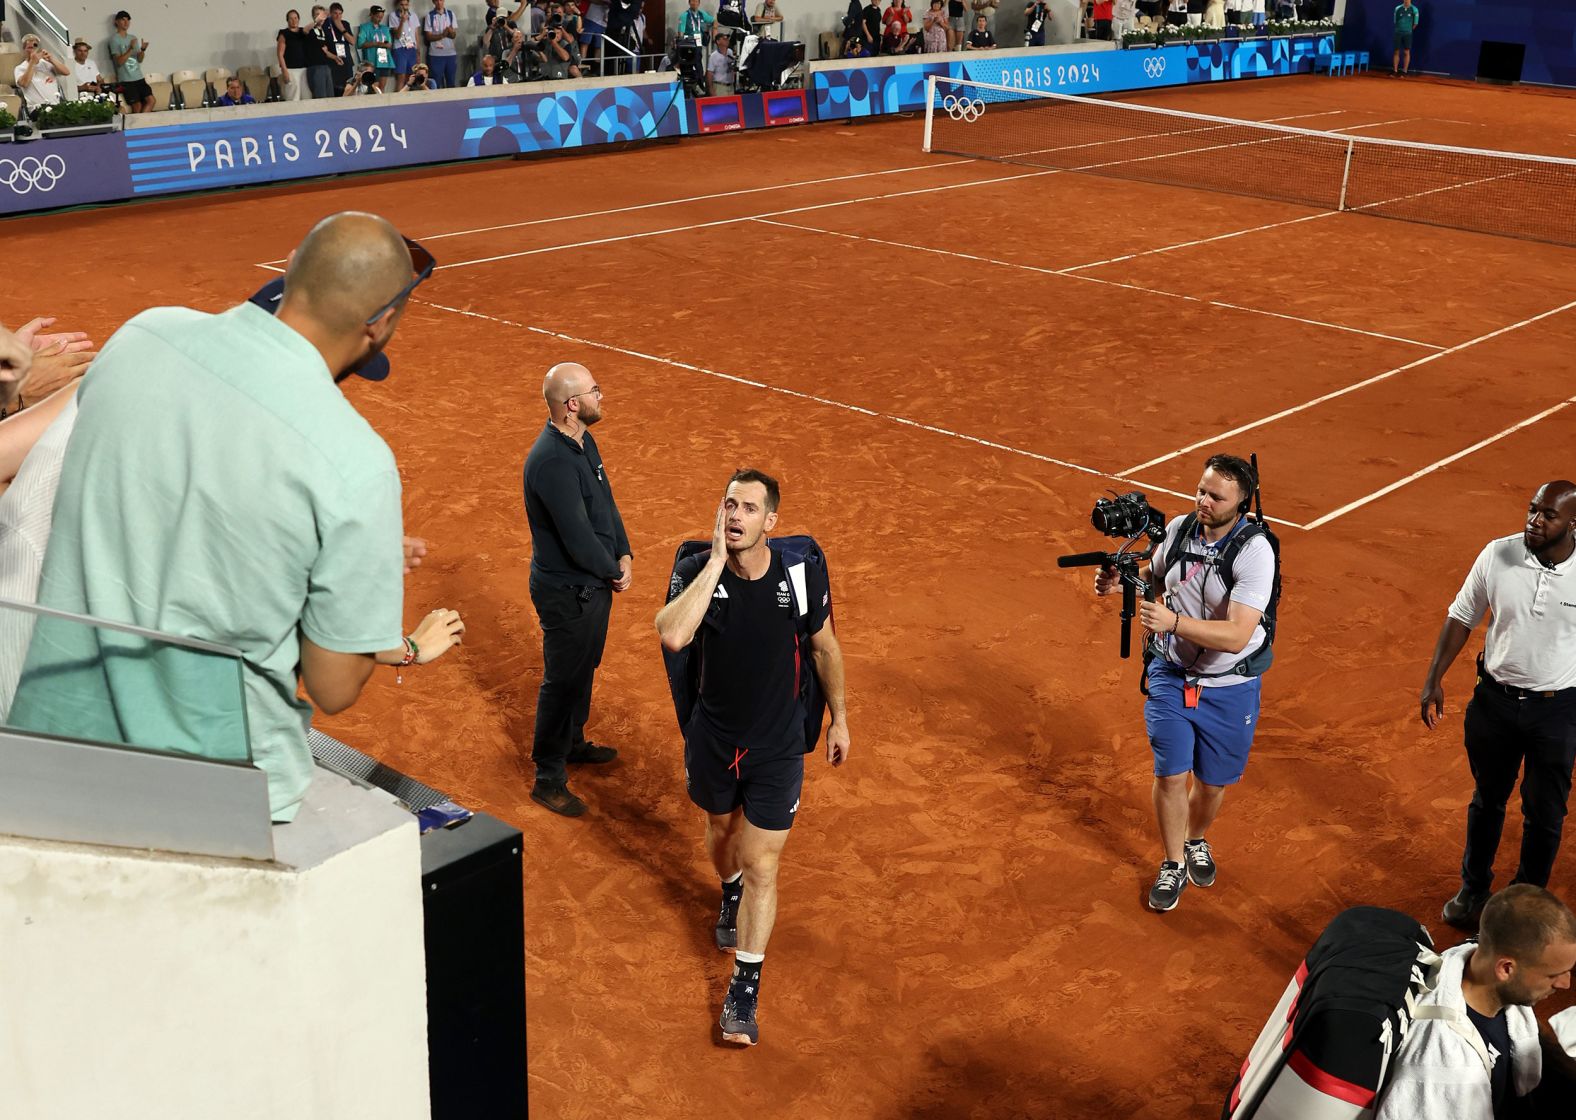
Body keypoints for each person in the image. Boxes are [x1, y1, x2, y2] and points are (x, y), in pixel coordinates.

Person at [7, 214, 465, 824]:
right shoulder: (356, 464)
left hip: (54, 738)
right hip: (215, 787)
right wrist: (356, 572)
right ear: (381, 323)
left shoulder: (145, 333)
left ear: (292, 265)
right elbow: (334, 687)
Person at [655, 470, 851, 1047]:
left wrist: (839, 717)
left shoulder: (798, 572)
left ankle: (744, 986)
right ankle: (729, 887)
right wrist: (714, 563)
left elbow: (824, 646)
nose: (734, 515)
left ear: (771, 522)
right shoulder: (697, 570)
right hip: (715, 740)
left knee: (764, 863)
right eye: (728, 505)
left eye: (747, 508)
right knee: (723, 839)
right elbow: (671, 635)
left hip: (778, 746)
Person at [1094, 455, 1275, 912]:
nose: (1203, 501)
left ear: (1241, 503)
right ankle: (1173, 862)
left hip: (1228, 686)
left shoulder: (1255, 551)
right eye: (1201, 490)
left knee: (1211, 785)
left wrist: (1173, 620)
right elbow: (1154, 573)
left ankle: (1196, 839)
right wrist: (1120, 584)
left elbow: (1236, 635)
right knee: (1171, 773)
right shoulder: (1179, 529)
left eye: (1216, 497)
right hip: (1171, 674)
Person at [1421, 481, 1576, 927]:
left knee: (1545, 813)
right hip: (1494, 703)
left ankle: (1525, 906)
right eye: (1532, 510)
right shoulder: (1499, 554)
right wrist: (1434, 678)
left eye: (1548, 515)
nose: (1534, 520)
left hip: (1558, 710)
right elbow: (1462, 615)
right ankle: (1473, 889)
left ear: (1571, 524)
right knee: (1487, 799)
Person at [521, 362, 631, 818]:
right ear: (572, 405)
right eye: (594, 391)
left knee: (586, 666)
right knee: (563, 680)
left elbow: (606, 503)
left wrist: (624, 552)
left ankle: (573, 742)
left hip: (592, 585)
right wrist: (612, 569)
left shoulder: (582, 441)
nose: (600, 397)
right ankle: (548, 777)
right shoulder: (550, 461)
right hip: (568, 592)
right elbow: (577, 536)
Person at [1376, 885, 1575, 1119]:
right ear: (1506, 968)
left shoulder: (1472, 960)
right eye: (1553, 974)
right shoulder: (1445, 1069)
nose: (1566, 984)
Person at [107, 11, 154, 114]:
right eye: (123, 20)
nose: (126, 22)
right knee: (137, 106)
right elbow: (119, 61)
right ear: (117, 22)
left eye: (128, 20)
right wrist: (130, 49)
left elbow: (139, 59)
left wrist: (142, 50)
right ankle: (137, 127)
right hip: (126, 80)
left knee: (151, 100)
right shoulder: (114, 40)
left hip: (139, 77)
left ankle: (141, 124)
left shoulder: (132, 38)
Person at [13, 35, 64, 111]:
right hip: (36, 108)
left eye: (34, 47)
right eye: (29, 48)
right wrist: (32, 62)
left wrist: (51, 59)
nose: (32, 50)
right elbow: (24, 83)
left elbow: (66, 72)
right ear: (24, 49)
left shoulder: (46, 63)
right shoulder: (20, 68)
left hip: (55, 105)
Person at [357, 5, 396, 90]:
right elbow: (360, 44)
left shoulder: (385, 29)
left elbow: (389, 44)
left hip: (384, 60)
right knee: (373, 86)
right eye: (377, 16)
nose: (379, 19)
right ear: (372, 15)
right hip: (372, 60)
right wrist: (375, 44)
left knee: (382, 87)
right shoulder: (365, 27)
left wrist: (385, 45)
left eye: (381, 17)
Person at [276, 10, 311, 101]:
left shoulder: (303, 32)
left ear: (299, 19)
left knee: (307, 96)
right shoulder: (284, 34)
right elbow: (280, 54)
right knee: (293, 97)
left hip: (304, 69)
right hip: (291, 70)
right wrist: (284, 71)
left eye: (295, 18)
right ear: (287, 20)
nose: (294, 20)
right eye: (291, 18)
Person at [424, 0, 459, 86]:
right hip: (435, 55)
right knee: (436, 83)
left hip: (450, 54)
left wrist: (450, 31)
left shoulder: (450, 14)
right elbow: (428, 36)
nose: (439, 3)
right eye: (436, 1)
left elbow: (454, 35)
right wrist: (442, 35)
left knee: (451, 82)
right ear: (433, 2)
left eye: (441, 0)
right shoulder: (429, 16)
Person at [306, 5, 338, 98]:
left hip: (326, 66)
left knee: (330, 96)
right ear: (313, 17)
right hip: (315, 67)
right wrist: (317, 20)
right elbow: (305, 30)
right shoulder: (311, 31)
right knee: (321, 97)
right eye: (317, 15)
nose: (320, 17)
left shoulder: (324, 32)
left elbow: (325, 51)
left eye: (322, 15)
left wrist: (335, 58)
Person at [325, 2, 356, 92]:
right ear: (330, 13)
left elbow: (353, 42)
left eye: (340, 13)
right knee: (335, 89)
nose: (338, 16)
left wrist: (342, 29)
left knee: (348, 88)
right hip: (333, 63)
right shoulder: (325, 24)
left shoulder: (345, 24)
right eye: (335, 13)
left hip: (346, 62)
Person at [391, 0, 421, 85]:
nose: (404, 7)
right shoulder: (393, 16)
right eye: (402, 5)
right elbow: (397, 35)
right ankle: (399, 97)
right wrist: (402, 22)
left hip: (412, 48)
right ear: (398, 5)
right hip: (400, 48)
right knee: (401, 77)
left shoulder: (413, 15)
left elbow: (416, 34)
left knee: (412, 77)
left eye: (406, 4)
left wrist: (418, 51)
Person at [1393, 0, 1420, 76]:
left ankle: (1405, 71)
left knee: (1406, 52)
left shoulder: (1414, 9)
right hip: (1398, 32)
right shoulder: (1397, 8)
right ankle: (1395, 71)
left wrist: (1408, 30)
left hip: (1408, 33)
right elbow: (1395, 21)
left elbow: (1415, 23)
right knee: (1396, 51)